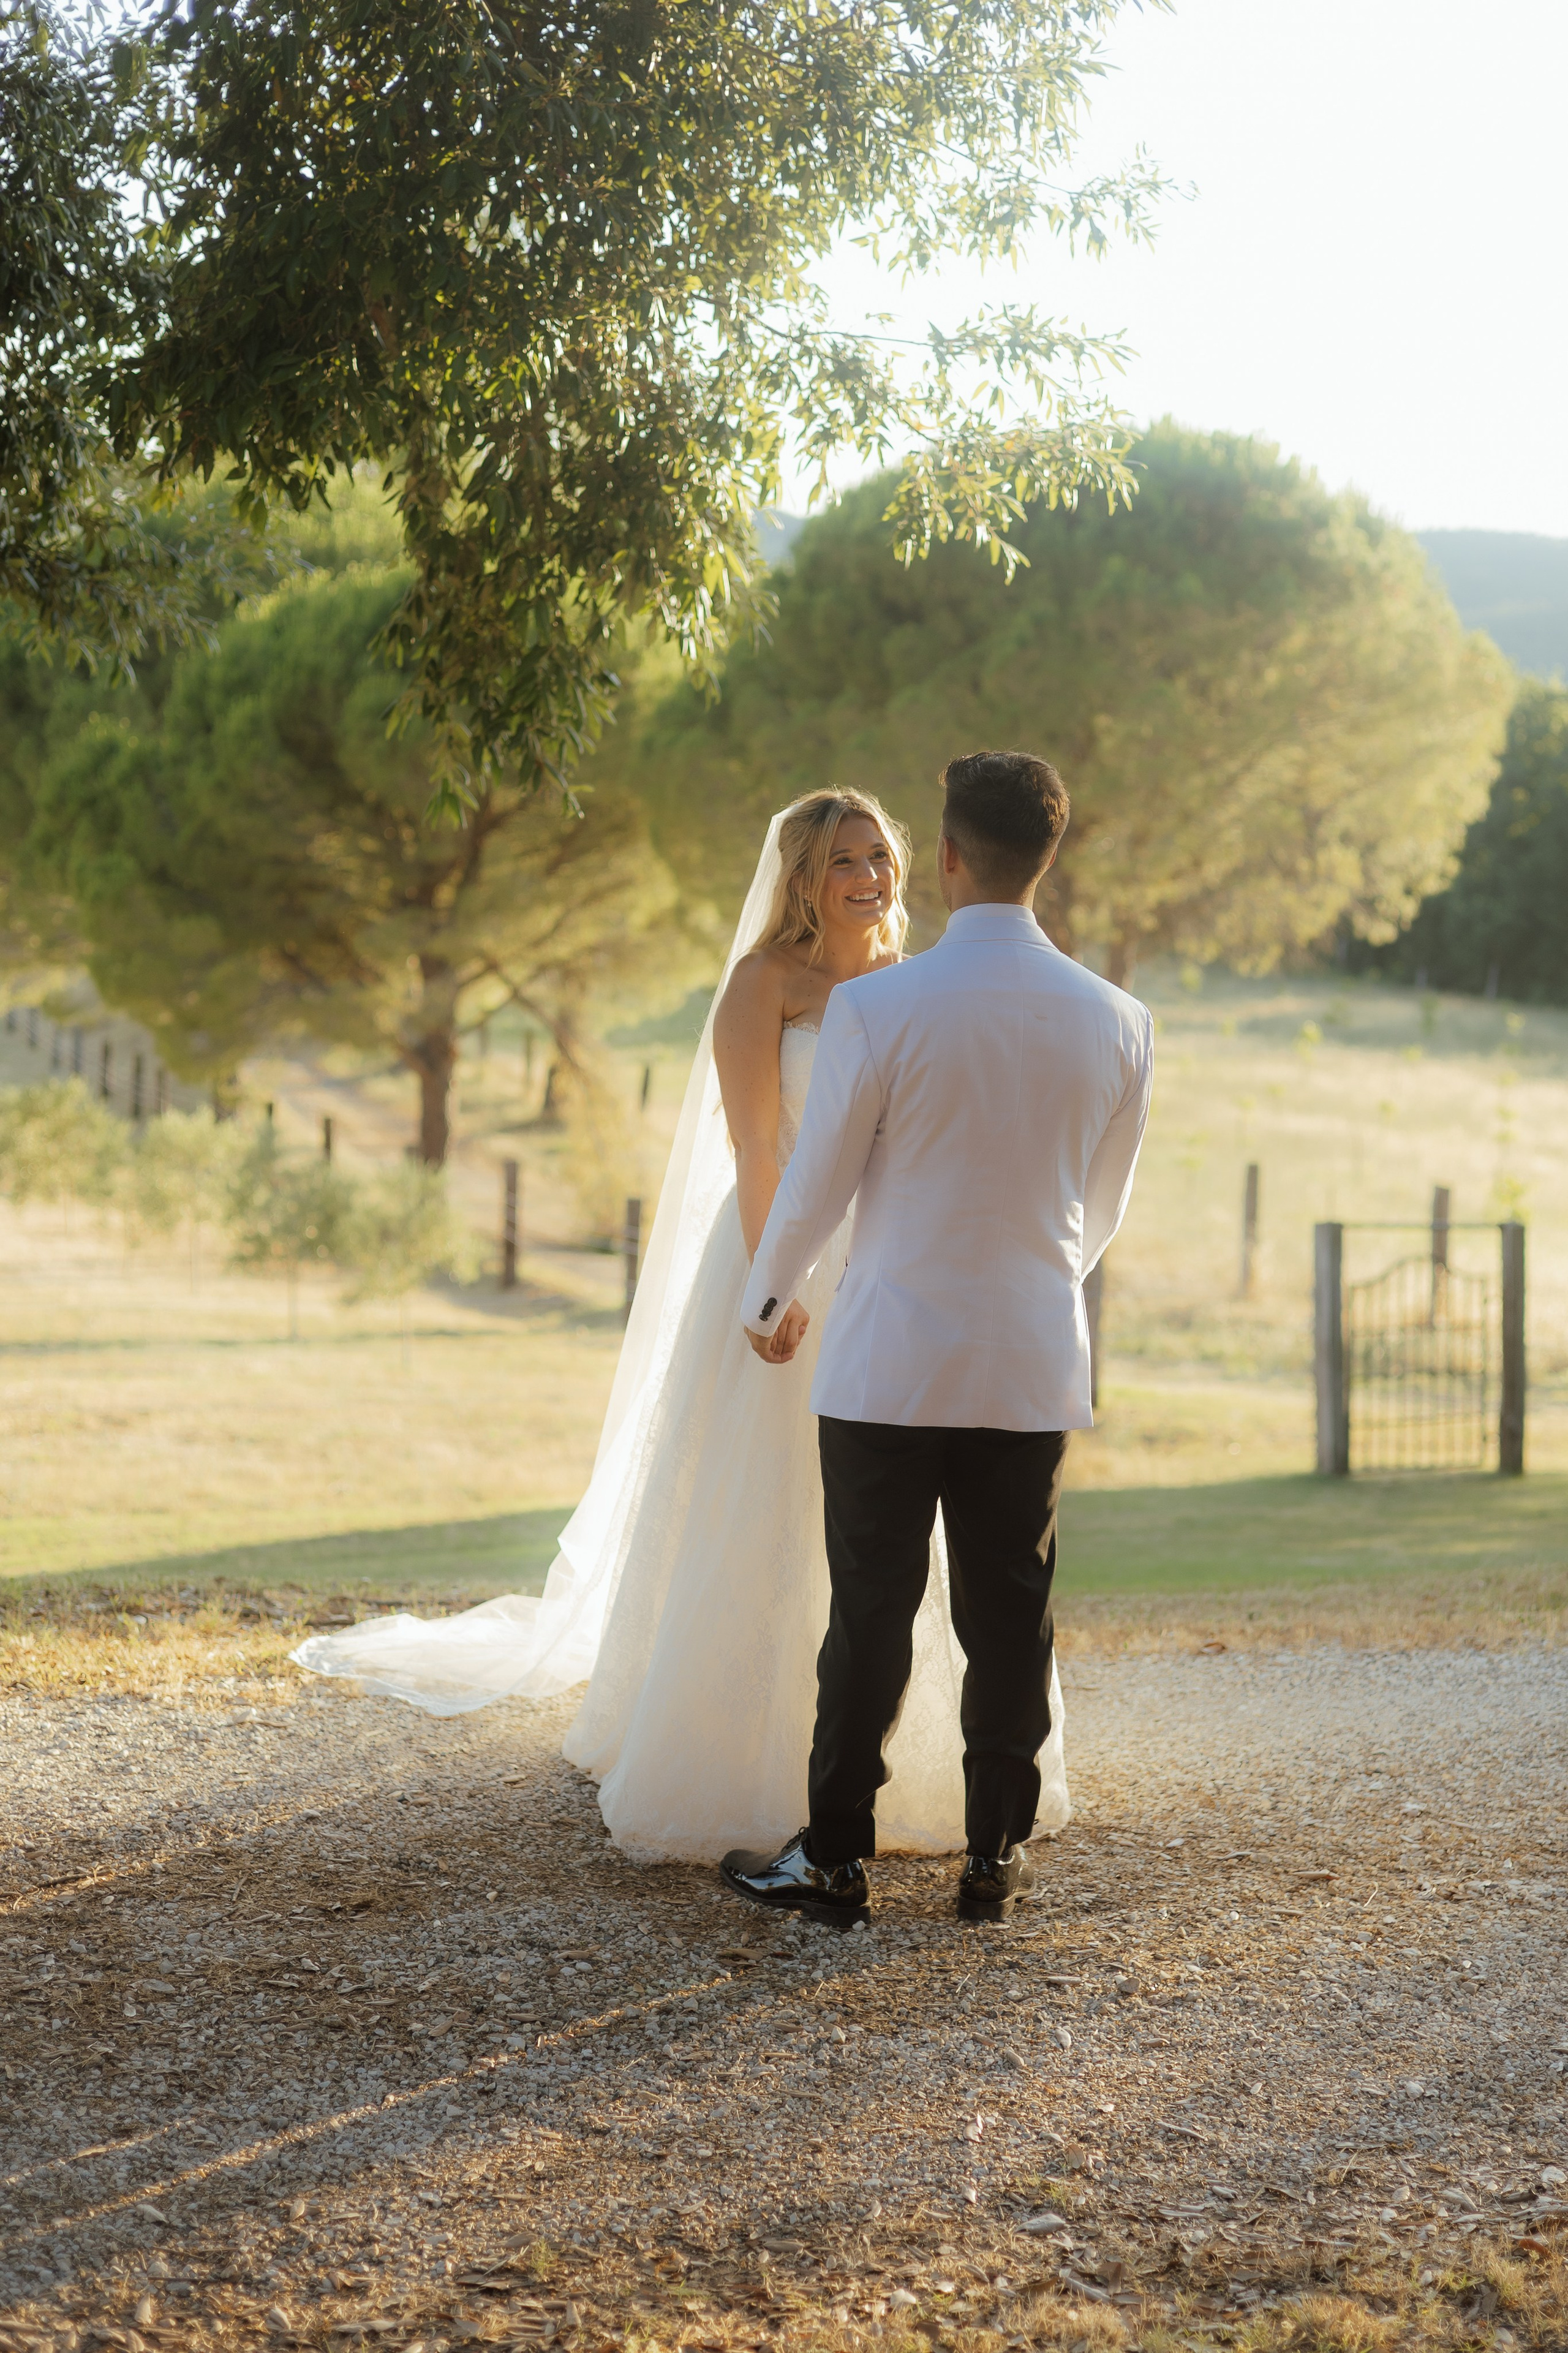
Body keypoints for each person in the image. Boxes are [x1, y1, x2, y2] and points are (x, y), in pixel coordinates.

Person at [292, 788, 1069, 1860]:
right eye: (847, 859)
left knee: (890, 1533)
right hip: (779, 1252)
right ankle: (735, 1757)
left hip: (894, 1278)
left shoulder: (912, 985)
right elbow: (759, 1151)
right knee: (771, 1502)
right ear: (803, 874)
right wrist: (776, 1281)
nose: (873, 878)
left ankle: (910, 1780)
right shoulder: (763, 987)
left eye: (884, 857)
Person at [721, 749, 1153, 1925]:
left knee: (869, 1614)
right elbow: (1099, 1211)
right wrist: (1026, 1290)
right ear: (1044, 857)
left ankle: (836, 1864)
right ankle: (990, 1860)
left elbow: (814, 1183)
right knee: (1011, 1610)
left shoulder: (874, 1005)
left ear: (948, 856)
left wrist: (768, 1300)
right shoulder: (1122, 1020)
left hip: (888, 1361)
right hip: (1029, 1359)